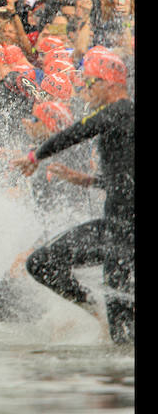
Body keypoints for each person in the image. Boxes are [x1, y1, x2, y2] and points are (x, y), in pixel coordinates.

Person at [11, 50, 134, 344]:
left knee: (124, 337)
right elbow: (127, 177)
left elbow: (78, 131)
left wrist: (36, 155)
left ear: (109, 82)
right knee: (42, 263)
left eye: (89, 83)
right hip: (116, 228)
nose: (85, 90)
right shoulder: (122, 118)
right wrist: (90, 180)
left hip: (124, 232)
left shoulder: (120, 111)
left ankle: (102, 324)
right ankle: (97, 315)